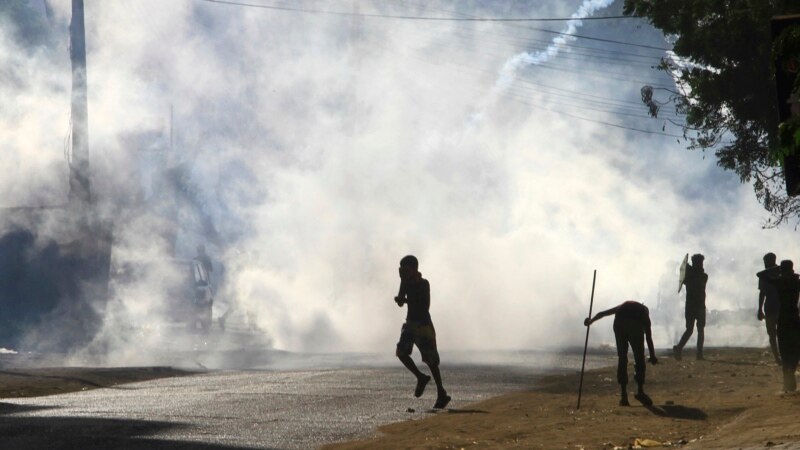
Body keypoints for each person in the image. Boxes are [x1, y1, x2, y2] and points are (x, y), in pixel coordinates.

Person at [394, 255, 450, 409]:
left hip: (424, 325)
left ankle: (441, 393)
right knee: (401, 352)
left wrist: (405, 300)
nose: (402, 272)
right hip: (411, 323)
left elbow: (425, 305)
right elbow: (401, 301)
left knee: (431, 362)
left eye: (405, 268)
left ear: (413, 269)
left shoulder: (424, 284)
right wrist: (400, 299)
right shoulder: (404, 282)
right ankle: (420, 377)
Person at [584, 301, 658, 406]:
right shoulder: (644, 314)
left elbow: (603, 313)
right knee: (639, 358)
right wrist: (652, 355)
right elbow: (649, 337)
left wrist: (591, 321)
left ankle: (624, 396)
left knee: (622, 358)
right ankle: (640, 391)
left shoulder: (623, 306)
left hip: (619, 324)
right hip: (634, 326)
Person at [771, 260, 800, 392]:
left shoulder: (779, 282)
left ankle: (786, 380)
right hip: (794, 318)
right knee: (795, 350)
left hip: (783, 319)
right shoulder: (796, 282)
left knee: (784, 350)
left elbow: (760, 275)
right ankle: (790, 372)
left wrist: (777, 272)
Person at [673, 253, 708, 361]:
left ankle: (698, 353)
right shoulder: (697, 275)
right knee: (691, 330)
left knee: (698, 329)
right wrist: (688, 269)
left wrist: (688, 269)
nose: (701, 265)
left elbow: (689, 279)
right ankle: (680, 349)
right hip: (693, 305)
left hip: (698, 305)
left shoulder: (702, 276)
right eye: (700, 263)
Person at [757, 252, 781, 365]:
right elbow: (762, 293)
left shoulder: (780, 272)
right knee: (772, 334)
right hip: (770, 308)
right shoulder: (764, 275)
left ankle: (782, 356)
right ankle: (777, 358)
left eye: (766, 261)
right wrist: (760, 309)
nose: (765, 264)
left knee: (781, 333)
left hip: (780, 307)